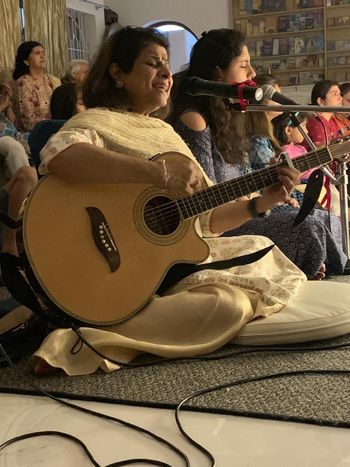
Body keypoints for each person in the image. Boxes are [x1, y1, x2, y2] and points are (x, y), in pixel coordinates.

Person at [31, 27, 306, 376]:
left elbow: (206, 221)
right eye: (153, 63)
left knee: (264, 249)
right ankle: (87, 336)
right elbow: (59, 156)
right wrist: (156, 174)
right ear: (117, 72)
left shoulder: (165, 133)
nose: (166, 74)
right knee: (230, 306)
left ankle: (111, 317)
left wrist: (260, 204)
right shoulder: (95, 121)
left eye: (167, 65)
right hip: (113, 264)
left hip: (156, 265)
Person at [169, 29, 346, 280]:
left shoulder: (229, 118)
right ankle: (312, 269)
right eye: (244, 66)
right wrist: (260, 200)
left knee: (322, 215)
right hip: (222, 225)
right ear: (218, 72)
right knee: (308, 226)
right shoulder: (194, 120)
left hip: (245, 209)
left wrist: (268, 187)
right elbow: (206, 202)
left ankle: (317, 267)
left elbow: (241, 178)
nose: (252, 74)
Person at [12, 41, 61, 132]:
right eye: (37, 53)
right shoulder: (23, 82)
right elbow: (28, 121)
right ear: (26, 61)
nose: (42, 56)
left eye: (43, 53)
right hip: (33, 135)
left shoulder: (50, 80)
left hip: (54, 130)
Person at [0, 82, 31, 179]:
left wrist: (8, 105)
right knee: (14, 146)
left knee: (38, 138)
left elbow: (12, 120)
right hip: (3, 137)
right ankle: (27, 184)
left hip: (12, 134)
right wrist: (2, 105)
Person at [305, 80, 342, 147]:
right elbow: (324, 154)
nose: (340, 98)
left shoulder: (332, 121)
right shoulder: (316, 122)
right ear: (321, 101)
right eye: (334, 94)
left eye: (339, 94)